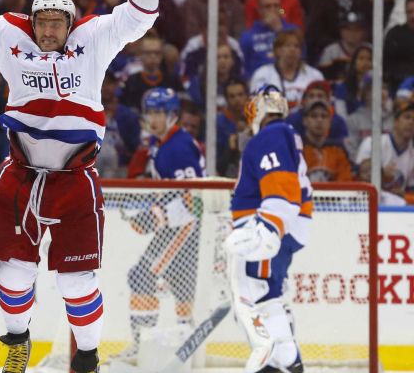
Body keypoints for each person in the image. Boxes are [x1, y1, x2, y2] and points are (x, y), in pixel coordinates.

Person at [0, 0, 178, 372]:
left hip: (73, 179)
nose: (47, 30)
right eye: (41, 21)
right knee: (13, 275)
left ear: (70, 23)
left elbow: (132, 21)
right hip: (22, 175)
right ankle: (19, 343)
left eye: (56, 23)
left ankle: (88, 358)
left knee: (77, 282)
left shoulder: (93, 39)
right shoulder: (13, 37)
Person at [225, 85, 311, 373]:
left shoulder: (270, 135)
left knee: (260, 296)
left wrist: (268, 229)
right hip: (280, 226)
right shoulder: (284, 133)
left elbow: (281, 188)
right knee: (268, 294)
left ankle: (284, 364)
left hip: (268, 227)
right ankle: (283, 363)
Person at [118, 88, 204, 362]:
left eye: (159, 113)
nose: (153, 119)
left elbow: (196, 201)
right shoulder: (161, 142)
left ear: (172, 115)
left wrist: (156, 217)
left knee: (142, 275)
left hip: (186, 227)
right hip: (175, 226)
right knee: (179, 284)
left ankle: (143, 344)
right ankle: (182, 342)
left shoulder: (177, 147)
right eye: (150, 112)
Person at [355, 100, 414, 205]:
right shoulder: (372, 143)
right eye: (407, 117)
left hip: (396, 209)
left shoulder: (412, 155)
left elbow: (410, 193)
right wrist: (381, 174)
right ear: (395, 121)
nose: (411, 122)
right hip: (367, 204)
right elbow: (358, 181)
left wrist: (403, 194)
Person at [300, 99, 353, 182]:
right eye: (314, 116)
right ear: (305, 120)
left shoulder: (338, 151)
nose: (319, 120)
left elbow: (345, 181)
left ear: (330, 121)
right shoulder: (297, 151)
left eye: (324, 116)